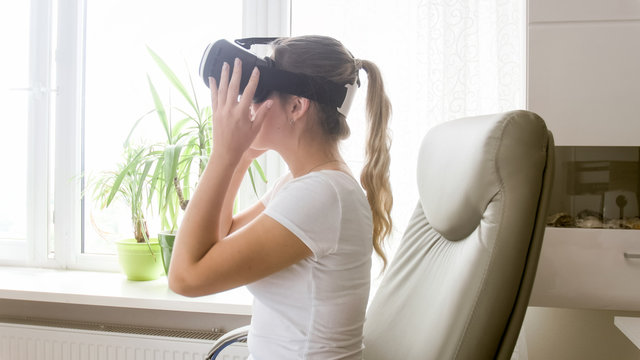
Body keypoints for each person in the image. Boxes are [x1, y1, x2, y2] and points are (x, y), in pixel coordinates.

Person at [169, 35, 392, 359]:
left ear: (297, 106)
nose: (248, 105)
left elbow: (185, 278)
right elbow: (221, 236)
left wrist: (223, 155)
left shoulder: (323, 195)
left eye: (258, 94)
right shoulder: (302, 184)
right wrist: (241, 156)